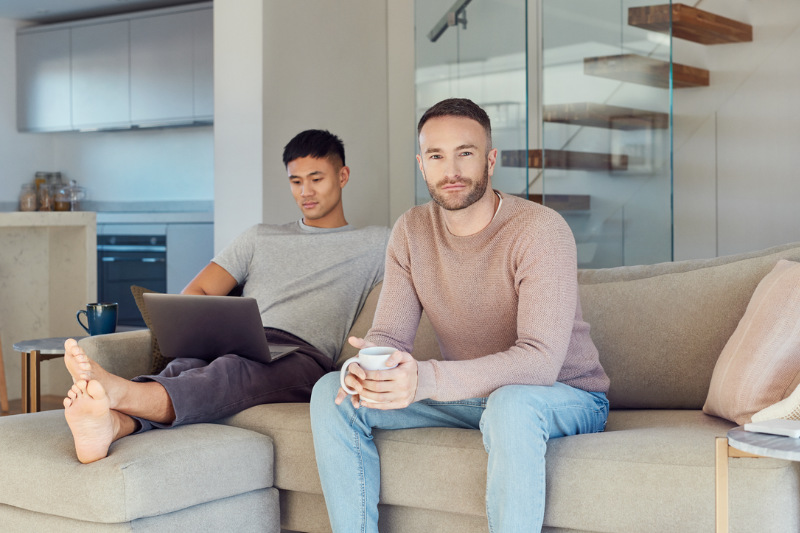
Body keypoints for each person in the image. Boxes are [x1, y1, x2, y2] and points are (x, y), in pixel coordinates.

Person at [310, 98, 611, 532]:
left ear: (490, 160)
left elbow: (540, 362)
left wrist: (426, 379)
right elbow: (389, 337)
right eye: (436, 156)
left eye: (464, 153)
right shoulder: (411, 230)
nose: (450, 170)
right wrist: (366, 368)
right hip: (471, 396)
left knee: (511, 403)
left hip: (562, 394)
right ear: (422, 164)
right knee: (331, 394)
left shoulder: (541, 230)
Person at [63, 129, 390, 464]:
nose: (305, 192)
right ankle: (113, 424)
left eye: (316, 179)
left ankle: (119, 392)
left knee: (231, 371)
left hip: (304, 357)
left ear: (343, 176)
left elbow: (433, 260)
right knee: (186, 366)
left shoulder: (377, 243)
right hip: (242, 340)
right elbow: (198, 291)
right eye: (295, 181)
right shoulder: (259, 237)